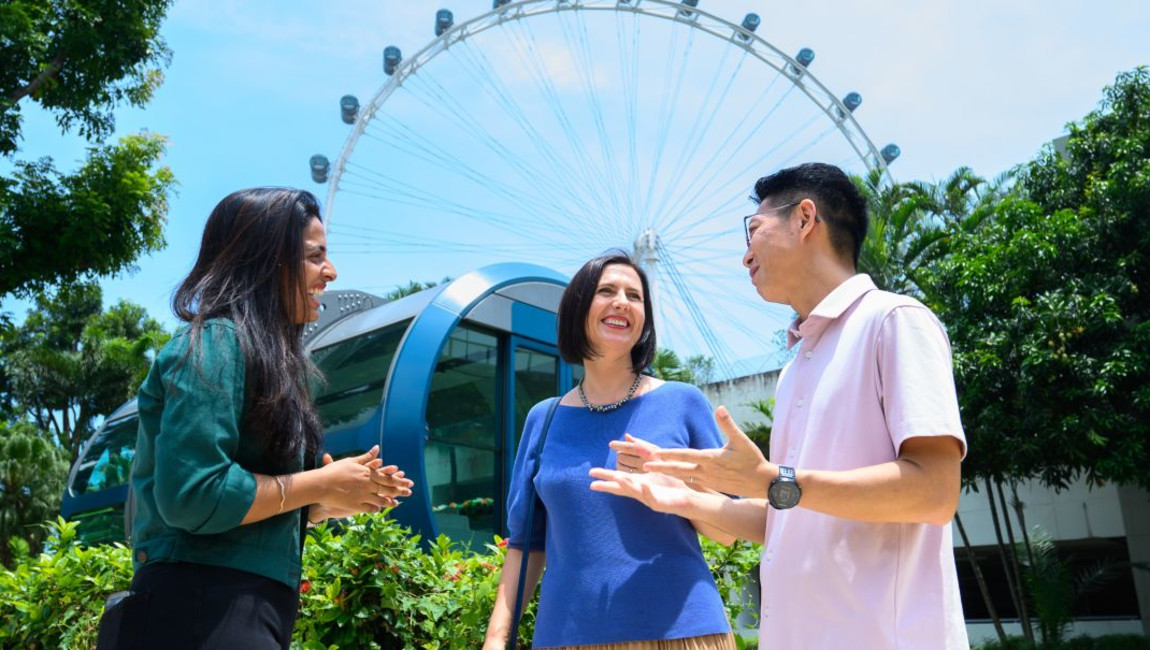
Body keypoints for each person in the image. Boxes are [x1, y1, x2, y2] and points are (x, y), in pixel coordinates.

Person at [590, 163, 969, 649]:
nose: (745, 256)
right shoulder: (797, 367)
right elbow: (791, 514)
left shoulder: (894, 321)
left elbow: (935, 493)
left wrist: (775, 481)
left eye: (754, 230)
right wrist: (684, 496)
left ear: (805, 218)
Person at [96, 188, 414, 650]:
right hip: (201, 610)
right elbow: (193, 494)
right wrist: (318, 486)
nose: (331, 272)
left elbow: (235, 507)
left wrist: (326, 502)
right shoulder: (216, 342)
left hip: (228, 611)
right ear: (267, 260)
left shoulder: (253, 355)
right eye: (314, 256)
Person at [484, 252, 736, 650]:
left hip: (682, 631)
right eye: (606, 291)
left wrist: (674, 484)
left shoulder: (683, 402)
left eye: (634, 296)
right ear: (577, 309)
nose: (622, 301)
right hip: (568, 636)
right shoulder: (543, 419)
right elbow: (526, 544)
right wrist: (496, 639)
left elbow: (727, 531)